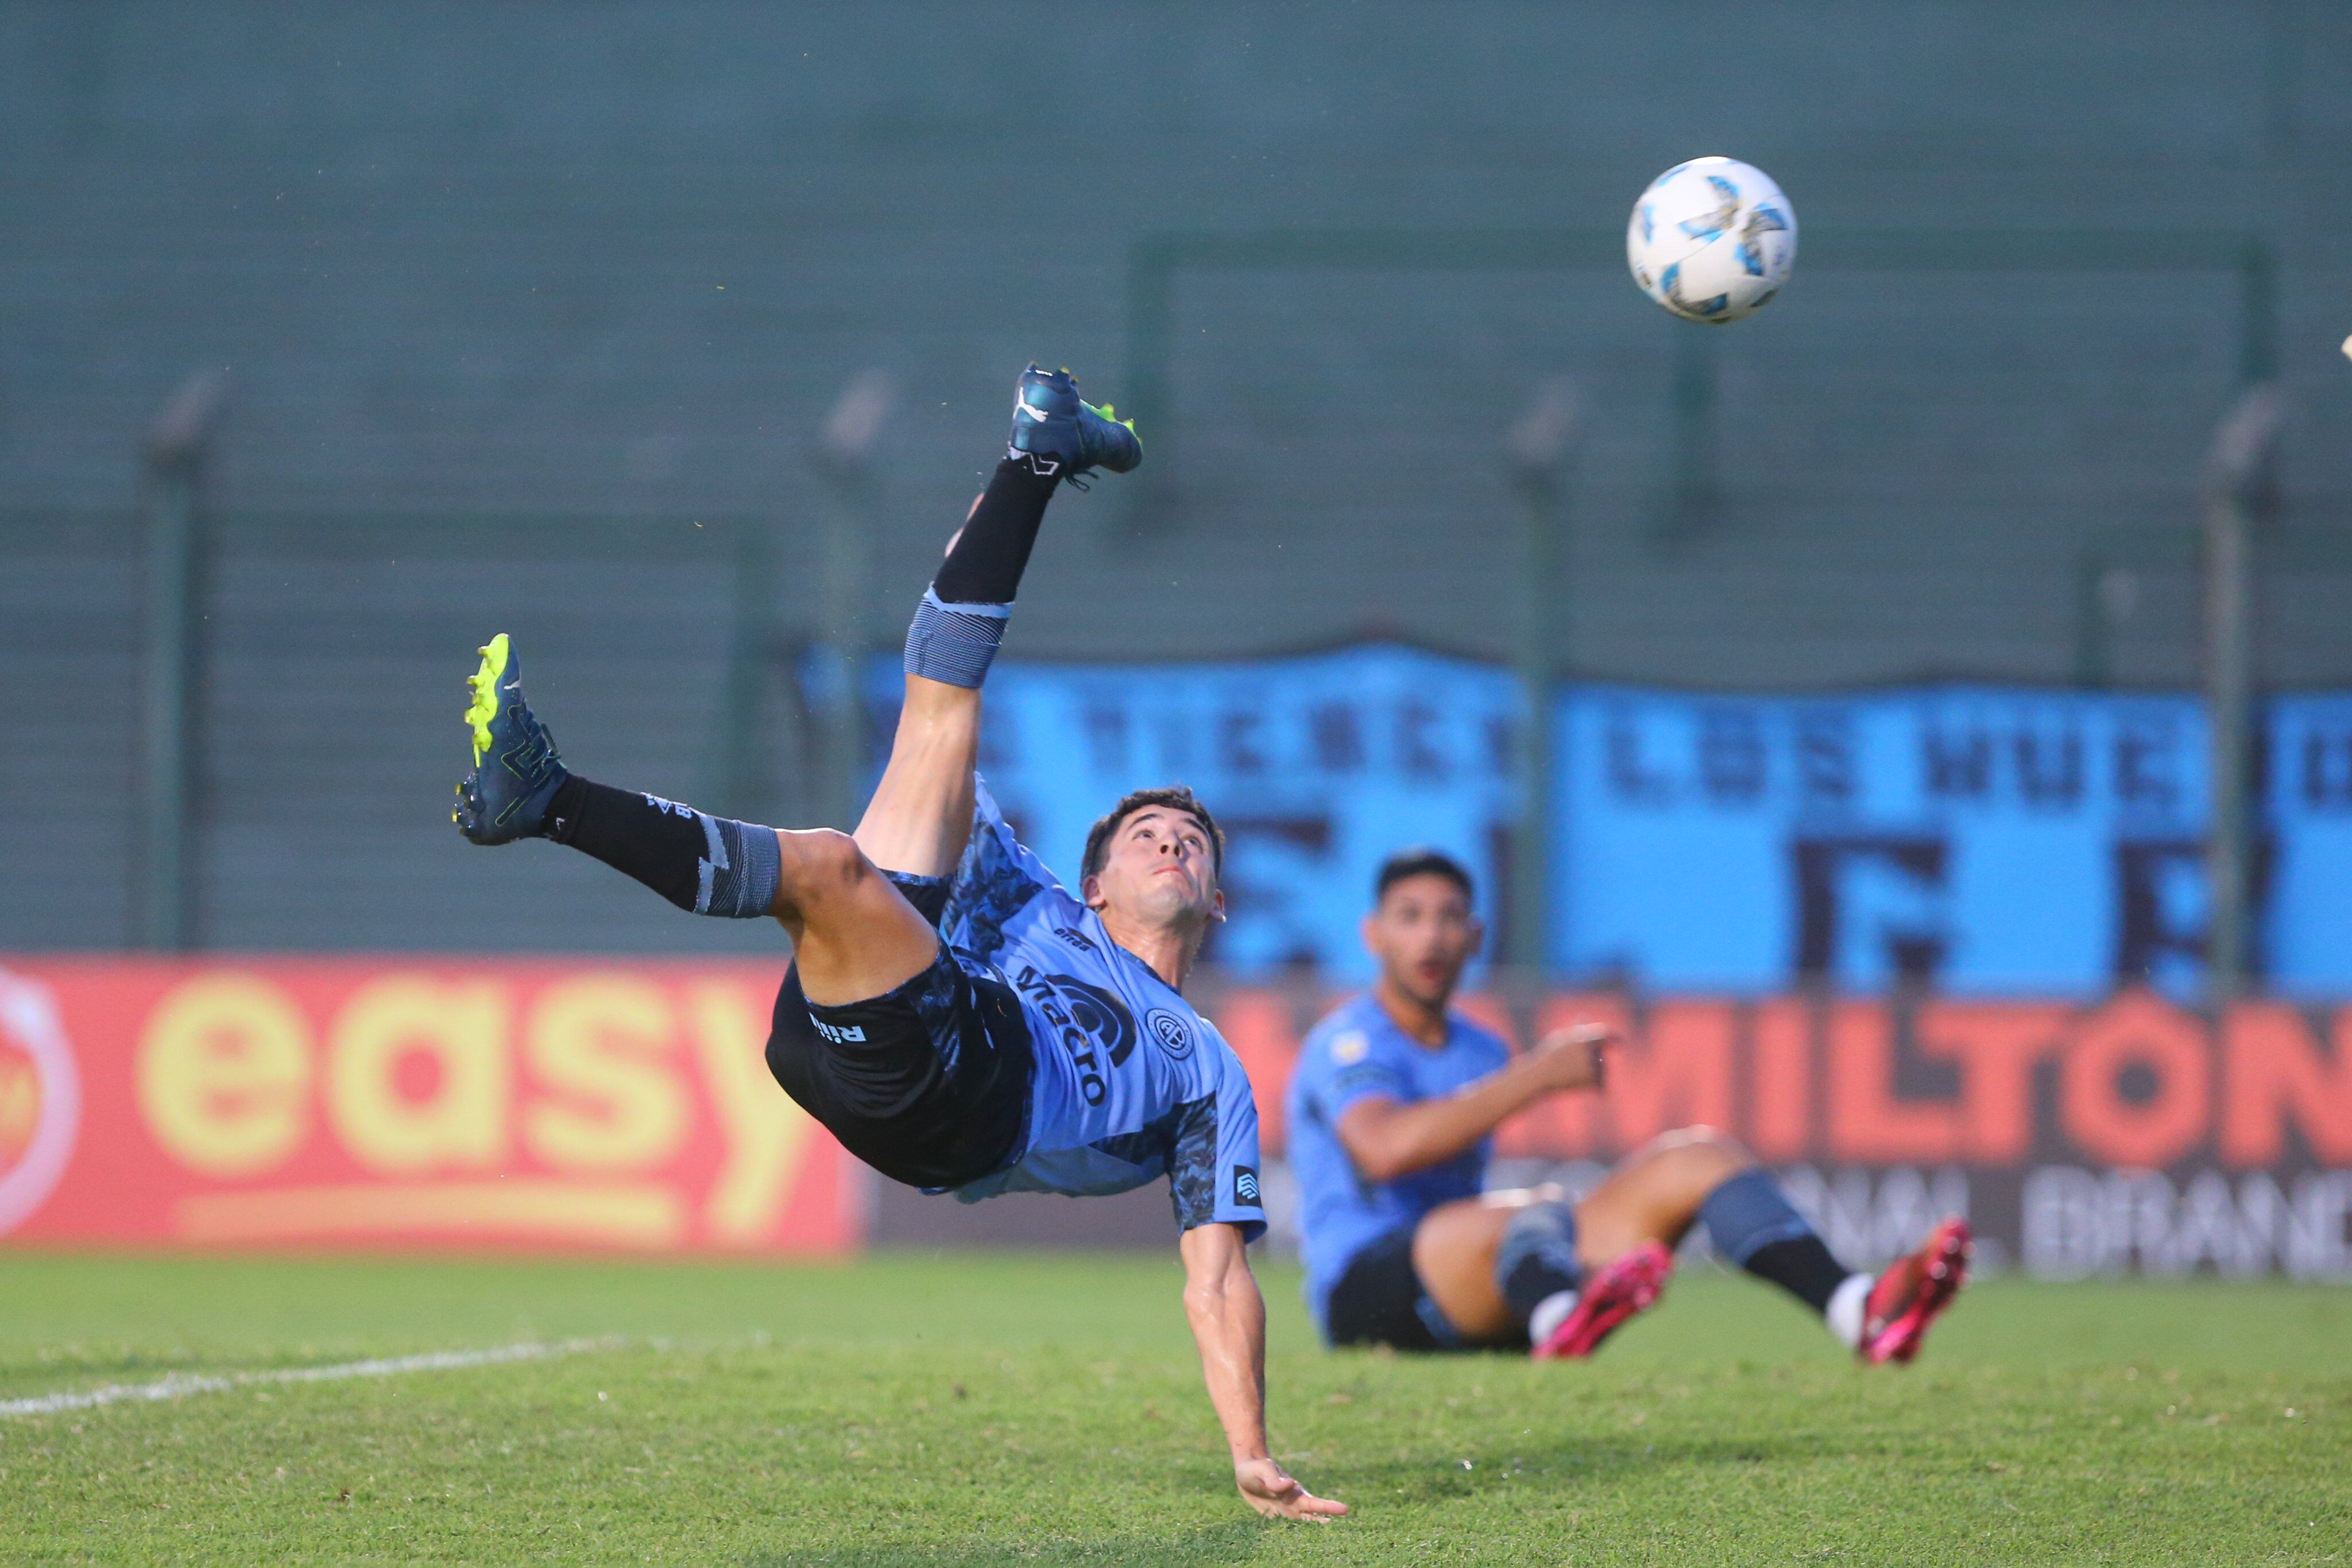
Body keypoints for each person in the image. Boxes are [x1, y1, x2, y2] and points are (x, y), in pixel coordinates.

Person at [452, 366, 1344, 1522]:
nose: (1172, 845)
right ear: (1096, 879)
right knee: (940, 727)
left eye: (1192, 842)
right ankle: (1035, 454)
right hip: (841, 1046)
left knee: (830, 864)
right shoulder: (1032, 902)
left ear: (1217, 898)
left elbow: (1214, 1276)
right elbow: (940, 695)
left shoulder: (1205, 1067)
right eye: (1146, 834)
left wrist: (1249, 1449)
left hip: (969, 1102)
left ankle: (547, 798)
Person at [1285, 847, 1970, 1361]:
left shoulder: (1482, 1047)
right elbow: (1382, 1149)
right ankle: (1561, 1318)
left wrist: (1525, 1077)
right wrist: (1535, 1077)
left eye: (1448, 918)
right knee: (1532, 1210)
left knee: (1696, 1157)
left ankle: (1858, 1311)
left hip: (1482, 1274)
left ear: (1476, 936)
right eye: (1410, 918)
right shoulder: (1349, 1039)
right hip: (1367, 1297)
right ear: (1373, 935)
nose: (1430, 937)